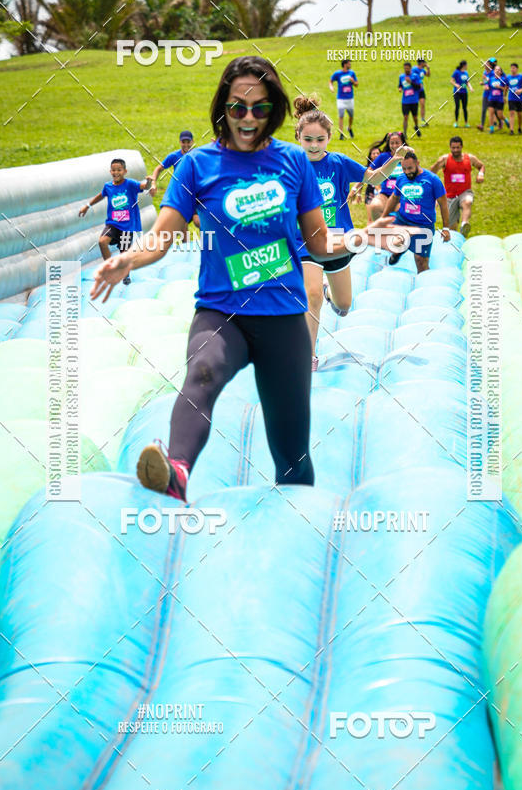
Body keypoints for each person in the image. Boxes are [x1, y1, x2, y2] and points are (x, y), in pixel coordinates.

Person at [90, 55, 359, 500]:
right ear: (223, 108)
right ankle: (175, 471)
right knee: (203, 371)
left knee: (291, 450)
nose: (248, 118)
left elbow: (317, 243)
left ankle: (299, 513)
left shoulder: (294, 162)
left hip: (284, 315)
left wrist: (364, 238)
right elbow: (161, 239)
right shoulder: (198, 166)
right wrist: (126, 260)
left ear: (273, 111)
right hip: (221, 311)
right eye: (238, 107)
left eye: (259, 108)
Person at [293, 95, 409, 368]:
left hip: (337, 242)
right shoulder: (291, 165)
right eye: (308, 139)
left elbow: (375, 177)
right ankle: (309, 355)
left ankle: (330, 292)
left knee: (344, 306)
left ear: (329, 138)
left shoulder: (338, 163)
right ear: (298, 136)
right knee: (312, 296)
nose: (314, 145)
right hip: (305, 243)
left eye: (320, 140)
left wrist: (395, 159)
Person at [367, 150, 451, 274]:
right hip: (403, 220)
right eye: (404, 168)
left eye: (410, 168)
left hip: (423, 225)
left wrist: (446, 228)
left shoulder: (432, 180)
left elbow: (443, 205)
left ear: (418, 163)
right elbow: (394, 198)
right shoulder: (401, 178)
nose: (407, 172)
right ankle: (398, 250)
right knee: (389, 241)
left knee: (421, 262)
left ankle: (423, 285)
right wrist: (383, 219)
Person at [79, 157, 150, 285]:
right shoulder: (108, 186)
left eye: (119, 170)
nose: (116, 172)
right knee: (102, 242)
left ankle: (125, 275)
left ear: (125, 171)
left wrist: (149, 182)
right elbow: (100, 195)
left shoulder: (130, 184)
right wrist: (87, 206)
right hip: (113, 224)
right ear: (110, 171)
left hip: (127, 226)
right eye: (113, 170)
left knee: (124, 252)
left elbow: (144, 186)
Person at [430, 136, 485, 237]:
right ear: (450, 148)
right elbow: (431, 173)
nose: (455, 150)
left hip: (465, 192)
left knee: (467, 202)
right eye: (453, 148)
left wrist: (481, 174)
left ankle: (464, 224)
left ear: (462, 147)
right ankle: (457, 241)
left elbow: (481, 166)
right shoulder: (445, 160)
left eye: (458, 148)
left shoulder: (470, 158)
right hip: (449, 196)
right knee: (452, 229)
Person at [148, 131, 199, 232]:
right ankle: (186, 245)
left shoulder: (197, 155)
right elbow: (159, 168)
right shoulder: (174, 156)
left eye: (188, 142)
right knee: (183, 224)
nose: (186, 144)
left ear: (192, 141)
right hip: (182, 194)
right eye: (183, 142)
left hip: (195, 193)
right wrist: (153, 181)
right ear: (180, 142)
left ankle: (208, 244)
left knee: (198, 222)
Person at [362, 130, 407, 222]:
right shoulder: (383, 157)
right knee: (375, 206)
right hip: (385, 194)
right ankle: (380, 233)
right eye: (392, 143)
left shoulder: (408, 156)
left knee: (400, 211)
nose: (394, 146)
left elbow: (417, 175)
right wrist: (355, 189)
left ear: (403, 143)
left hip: (401, 196)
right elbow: (368, 173)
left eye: (397, 143)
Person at [329, 59, 358, 139]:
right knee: (341, 115)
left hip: (350, 98)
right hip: (341, 99)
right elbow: (330, 81)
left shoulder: (352, 73)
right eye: (349, 63)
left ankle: (349, 128)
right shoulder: (338, 73)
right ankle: (341, 134)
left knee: (351, 116)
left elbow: (356, 84)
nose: (350, 65)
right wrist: (331, 87)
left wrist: (353, 81)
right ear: (345, 64)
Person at [398, 62, 422, 138]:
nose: (406, 70)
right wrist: (400, 88)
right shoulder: (401, 76)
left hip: (414, 100)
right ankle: (404, 133)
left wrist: (410, 82)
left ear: (410, 68)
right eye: (405, 68)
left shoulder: (415, 76)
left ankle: (416, 127)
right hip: (405, 101)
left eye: (407, 68)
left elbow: (419, 87)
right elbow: (400, 85)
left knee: (415, 117)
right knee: (405, 117)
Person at [505, 63, 522, 135]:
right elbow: (506, 87)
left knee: (519, 114)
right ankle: (511, 130)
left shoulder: (521, 77)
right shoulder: (508, 77)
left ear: (517, 69)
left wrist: (520, 90)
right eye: (511, 68)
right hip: (511, 98)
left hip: (519, 98)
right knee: (512, 113)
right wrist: (504, 96)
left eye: (514, 68)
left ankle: (519, 128)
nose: (512, 69)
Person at [451, 60, 473, 127]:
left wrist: (470, 88)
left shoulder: (466, 73)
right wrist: (456, 85)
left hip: (464, 92)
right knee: (457, 106)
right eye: (466, 65)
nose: (467, 66)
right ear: (464, 65)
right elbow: (451, 81)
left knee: (464, 108)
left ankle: (466, 123)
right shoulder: (456, 72)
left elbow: (467, 82)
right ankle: (456, 122)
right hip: (457, 92)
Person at [477, 57, 497, 131]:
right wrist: (483, 83)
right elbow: (486, 82)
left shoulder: (493, 73)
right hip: (486, 94)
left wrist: (487, 83)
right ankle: (482, 125)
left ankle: (500, 122)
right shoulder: (484, 73)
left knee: (494, 110)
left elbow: (492, 82)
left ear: (490, 66)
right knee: (484, 110)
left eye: (486, 64)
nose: (485, 65)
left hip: (492, 94)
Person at [487, 65, 508, 133]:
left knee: (500, 115)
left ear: (501, 72)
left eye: (499, 70)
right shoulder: (491, 79)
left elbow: (506, 89)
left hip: (499, 99)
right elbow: (489, 87)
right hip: (491, 98)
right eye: (496, 69)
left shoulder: (503, 79)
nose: (497, 71)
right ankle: (491, 128)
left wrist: (500, 87)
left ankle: (506, 120)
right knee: (491, 113)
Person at [363, 143, 381, 213]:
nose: (376, 155)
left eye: (377, 153)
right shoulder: (367, 168)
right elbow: (361, 180)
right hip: (370, 193)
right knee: (370, 217)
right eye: (373, 153)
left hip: (381, 193)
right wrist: (358, 193)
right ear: (370, 156)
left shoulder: (385, 167)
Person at [415, 58, 430, 126]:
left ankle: (423, 120)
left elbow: (428, 75)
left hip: (421, 90)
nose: (425, 64)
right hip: (415, 90)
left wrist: (428, 68)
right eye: (425, 63)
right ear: (421, 63)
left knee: (422, 105)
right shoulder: (414, 69)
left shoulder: (422, 70)